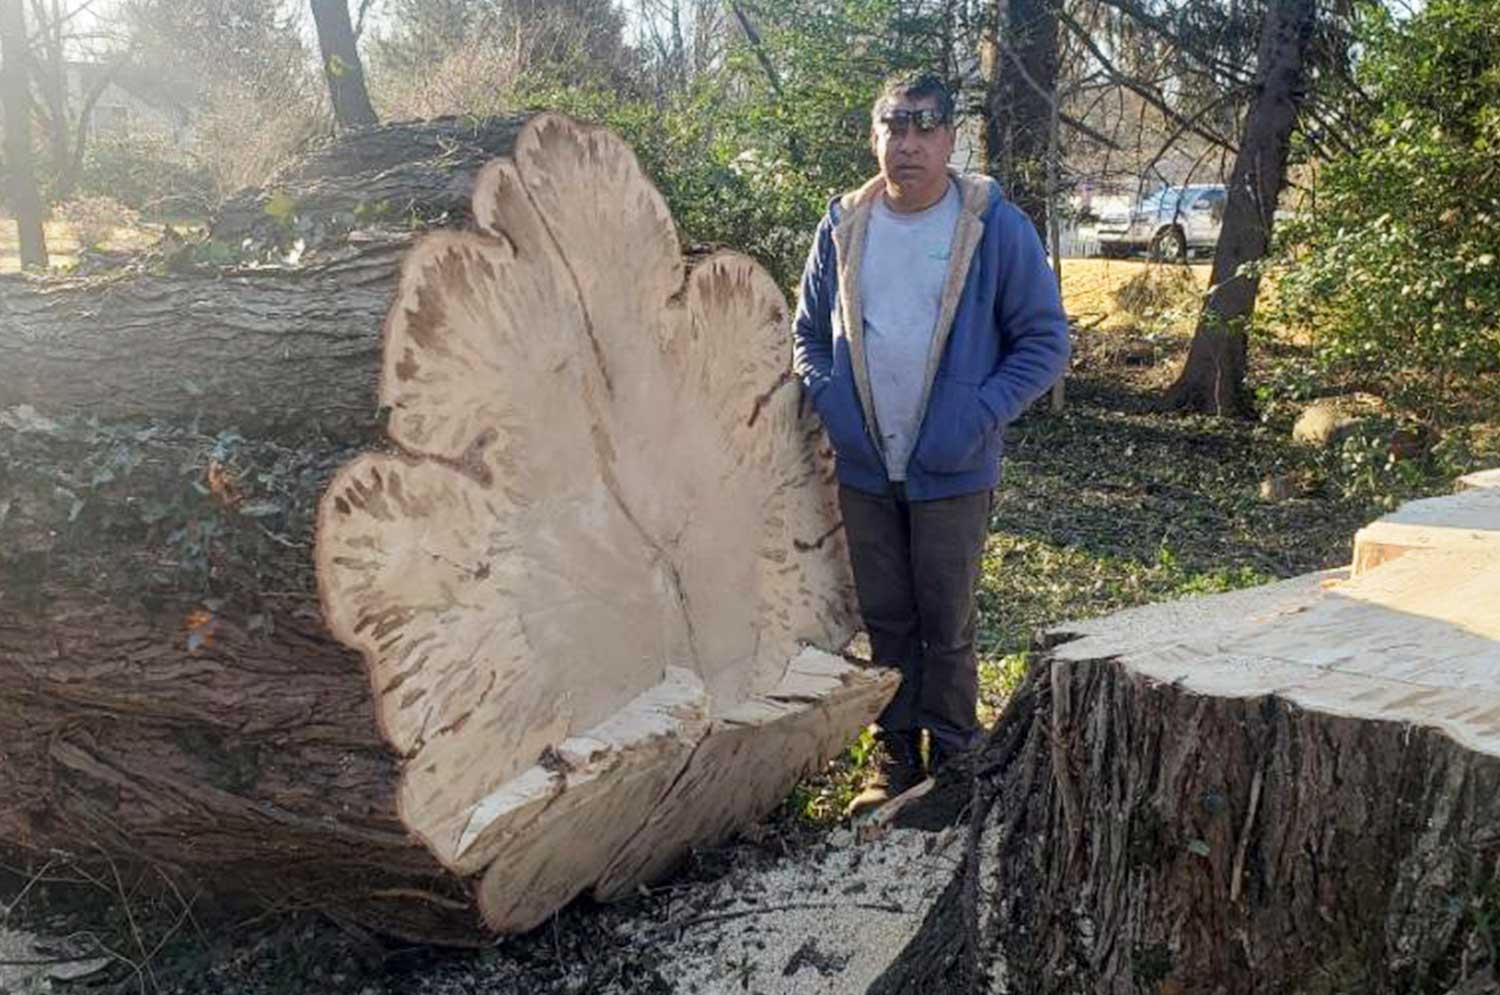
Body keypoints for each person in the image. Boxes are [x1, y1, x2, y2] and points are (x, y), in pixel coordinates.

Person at [791, 71, 1070, 814]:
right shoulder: (844, 224)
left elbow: (1043, 340)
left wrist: (979, 411)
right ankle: (892, 759)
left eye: (925, 128)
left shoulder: (990, 225)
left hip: (953, 463)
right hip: (866, 464)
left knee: (946, 622)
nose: (908, 144)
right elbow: (809, 335)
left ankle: (954, 762)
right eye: (895, 126)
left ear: (951, 139)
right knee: (887, 618)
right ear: (874, 135)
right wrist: (834, 403)